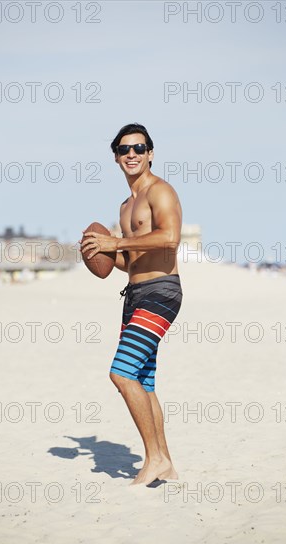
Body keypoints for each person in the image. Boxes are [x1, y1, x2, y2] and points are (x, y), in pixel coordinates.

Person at [80, 123, 183, 486]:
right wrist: (99, 250)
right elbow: (129, 261)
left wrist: (116, 244)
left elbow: (170, 238)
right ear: (116, 158)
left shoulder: (161, 191)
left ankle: (153, 458)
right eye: (124, 149)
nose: (132, 154)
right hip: (135, 293)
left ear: (150, 153)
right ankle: (165, 462)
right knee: (144, 380)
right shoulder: (125, 207)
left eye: (139, 148)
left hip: (162, 292)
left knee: (121, 373)